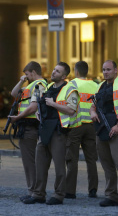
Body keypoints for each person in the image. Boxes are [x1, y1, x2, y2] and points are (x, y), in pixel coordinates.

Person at [23, 62, 79, 205]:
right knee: (40, 163)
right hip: (44, 129)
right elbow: (41, 104)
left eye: (58, 71)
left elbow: (71, 110)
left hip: (59, 131)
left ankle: (58, 195)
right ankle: (38, 194)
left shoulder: (70, 89)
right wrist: (38, 112)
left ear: (64, 76)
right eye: (54, 69)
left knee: (59, 166)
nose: (53, 72)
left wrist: (53, 104)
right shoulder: (47, 87)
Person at [89, 60, 118, 207]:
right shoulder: (101, 86)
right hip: (102, 129)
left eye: (108, 69)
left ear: (116, 70)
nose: (105, 72)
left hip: (117, 128)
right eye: (103, 69)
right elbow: (93, 105)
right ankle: (111, 196)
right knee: (106, 164)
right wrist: (92, 112)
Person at [8, 61, 48, 202]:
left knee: (30, 162)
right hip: (27, 126)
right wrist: (21, 81)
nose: (26, 77)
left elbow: (33, 107)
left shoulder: (39, 85)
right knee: (29, 161)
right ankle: (33, 191)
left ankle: (34, 192)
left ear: (33, 72)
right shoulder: (31, 85)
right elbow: (14, 94)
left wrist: (17, 117)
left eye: (27, 74)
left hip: (31, 126)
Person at [65, 61, 99, 199]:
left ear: (76, 72)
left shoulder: (72, 85)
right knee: (91, 159)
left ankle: (70, 191)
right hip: (91, 125)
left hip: (76, 125)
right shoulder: (96, 86)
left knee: (72, 159)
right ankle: (92, 190)